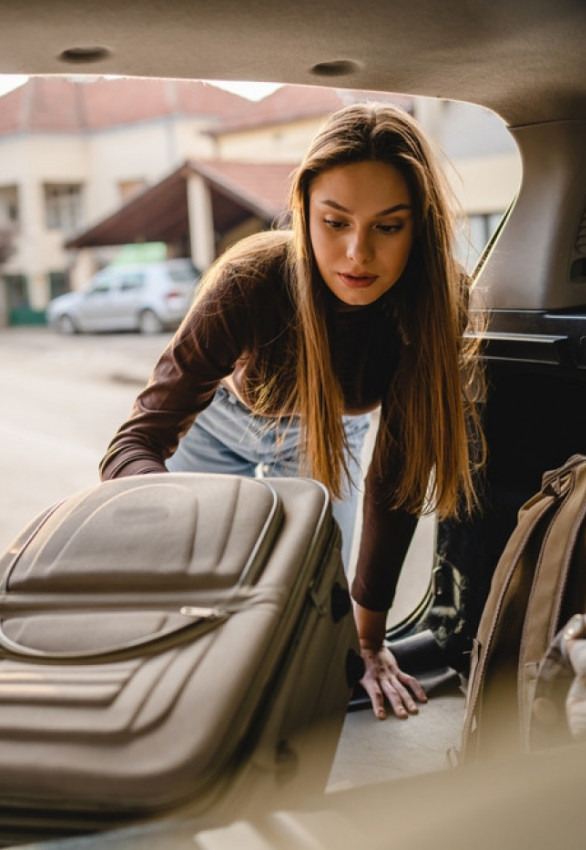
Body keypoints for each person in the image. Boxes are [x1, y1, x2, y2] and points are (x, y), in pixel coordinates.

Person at [99, 102, 486, 720]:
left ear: (420, 227)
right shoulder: (251, 280)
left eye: (388, 227)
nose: (357, 253)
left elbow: (398, 473)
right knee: (201, 583)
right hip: (217, 421)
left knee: (313, 599)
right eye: (335, 222)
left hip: (327, 434)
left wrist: (367, 639)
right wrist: (172, 526)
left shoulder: (439, 299)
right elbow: (135, 442)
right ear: (304, 210)